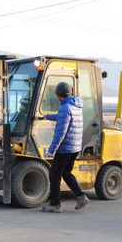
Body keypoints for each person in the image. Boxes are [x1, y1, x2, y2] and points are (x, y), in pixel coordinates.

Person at [41, 81, 89, 213]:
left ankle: (55, 204)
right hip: (75, 147)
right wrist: (47, 116)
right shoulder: (75, 106)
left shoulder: (65, 108)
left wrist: (52, 149)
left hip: (65, 148)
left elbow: (61, 132)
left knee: (54, 175)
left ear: (58, 94)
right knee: (66, 173)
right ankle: (81, 196)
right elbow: (62, 118)